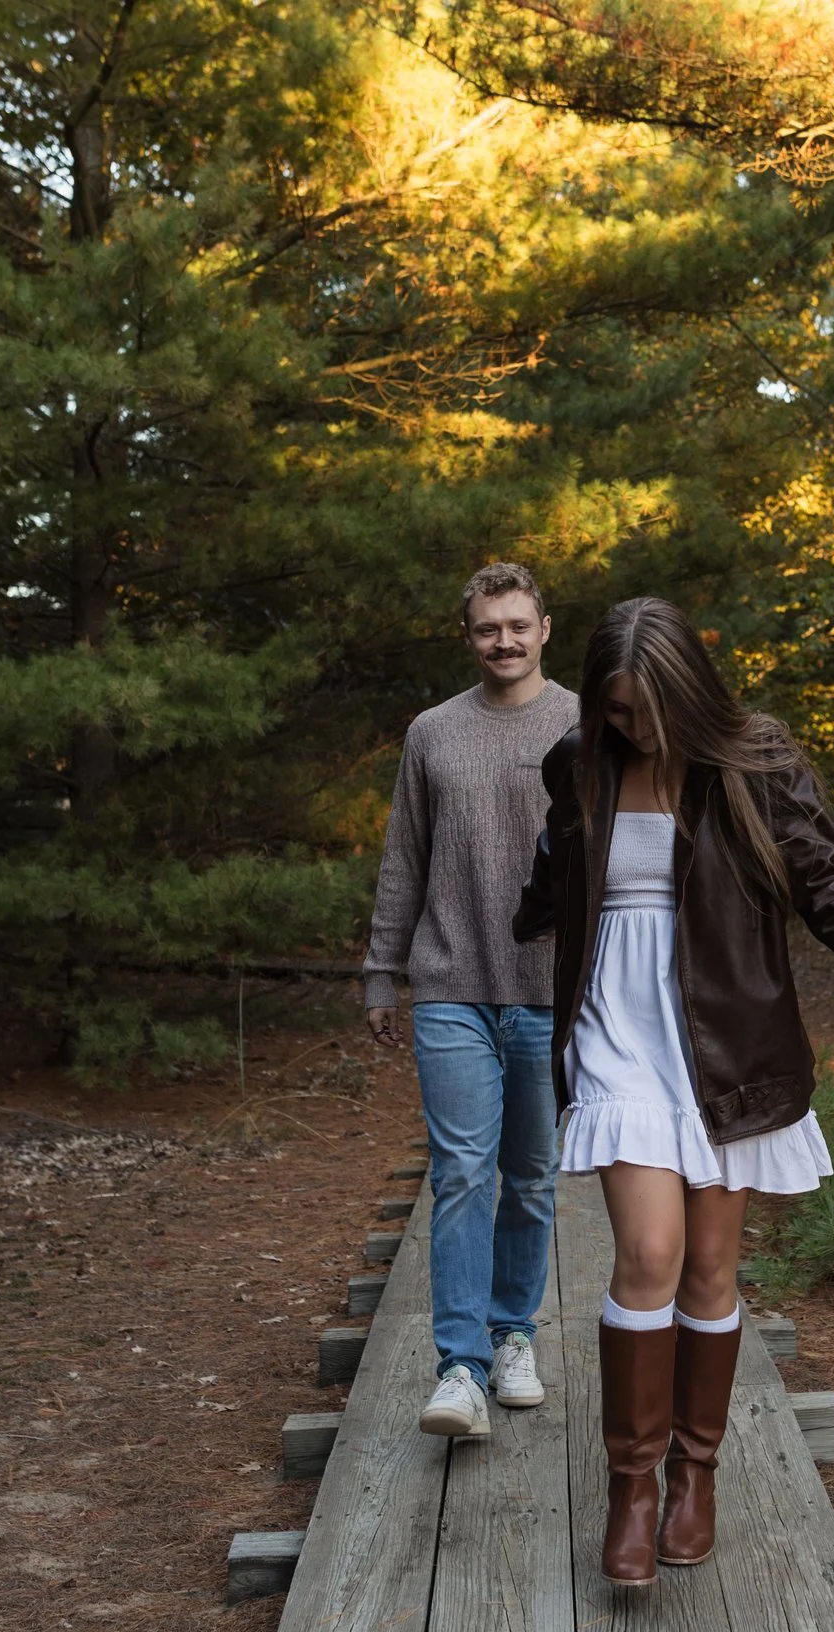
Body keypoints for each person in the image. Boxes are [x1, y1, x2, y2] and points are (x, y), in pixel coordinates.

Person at [514, 596, 834, 1587]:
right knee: (646, 1249)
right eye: (616, 711)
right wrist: (526, 913)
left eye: (648, 710)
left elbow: (823, 878)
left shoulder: (757, 763)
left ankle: (695, 1473)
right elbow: (552, 863)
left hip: (726, 1036)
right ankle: (632, 1486)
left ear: (689, 690)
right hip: (617, 1024)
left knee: (708, 1265)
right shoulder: (579, 763)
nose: (633, 728)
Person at [364, 562, 579, 1439]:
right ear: (469, 636)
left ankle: (513, 1335)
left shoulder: (582, 724)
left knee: (531, 1177)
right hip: (450, 980)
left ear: (544, 629)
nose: (504, 640)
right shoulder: (431, 733)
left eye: (518, 625)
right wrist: (382, 969)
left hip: (548, 991)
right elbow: (402, 859)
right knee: (460, 1172)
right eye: (489, 627)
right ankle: (458, 1365)